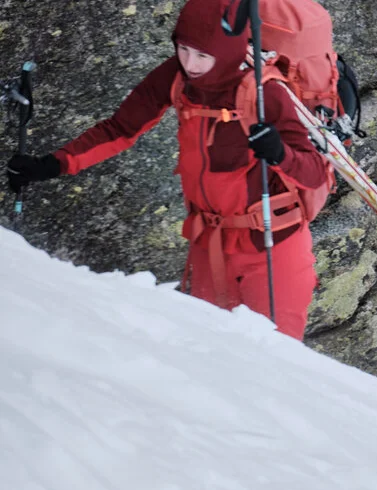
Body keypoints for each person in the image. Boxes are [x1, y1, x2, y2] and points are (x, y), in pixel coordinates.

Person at [5, 0, 331, 340]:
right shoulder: (176, 75)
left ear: (229, 50)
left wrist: (279, 153)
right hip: (209, 244)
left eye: (203, 56)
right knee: (211, 354)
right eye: (184, 49)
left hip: (271, 247)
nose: (191, 64)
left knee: (277, 363)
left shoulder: (266, 92)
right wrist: (52, 164)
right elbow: (121, 129)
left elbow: (313, 173)